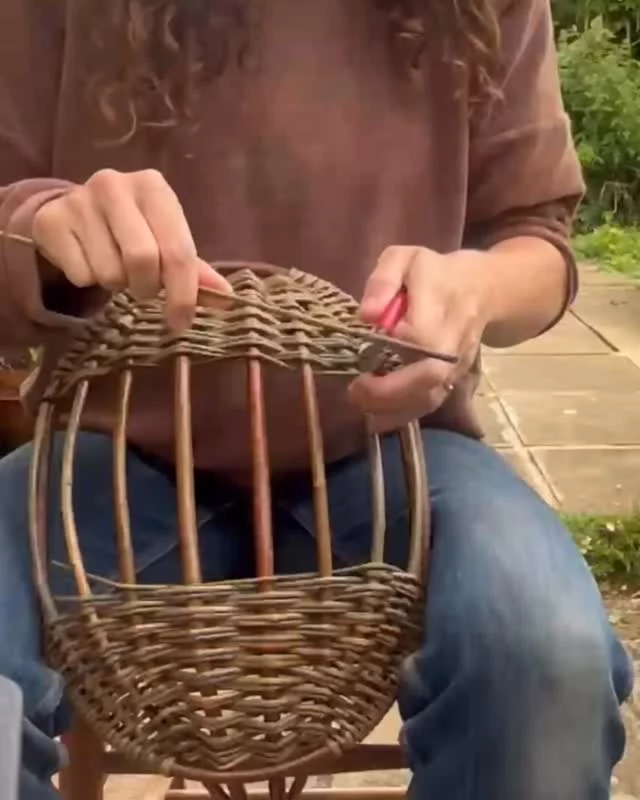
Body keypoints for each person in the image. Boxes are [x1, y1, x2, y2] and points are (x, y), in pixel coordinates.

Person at [0, 0, 633, 798]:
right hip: (112, 457)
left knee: (545, 658)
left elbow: (536, 239)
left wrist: (474, 291)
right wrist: (46, 224)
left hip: (394, 449)